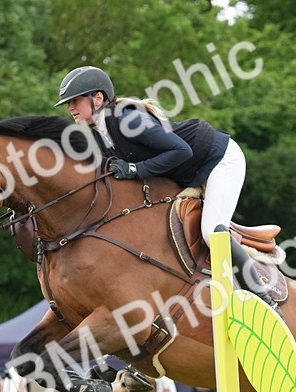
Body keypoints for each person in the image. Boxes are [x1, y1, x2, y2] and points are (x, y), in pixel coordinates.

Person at [55, 66, 271, 296]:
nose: (70, 108)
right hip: (189, 172)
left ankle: (264, 297)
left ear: (97, 98)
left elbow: (181, 151)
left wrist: (135, 169)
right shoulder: (99, 133)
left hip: (219, 159)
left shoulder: (128, 118)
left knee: (211, 232)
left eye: (75, 101)